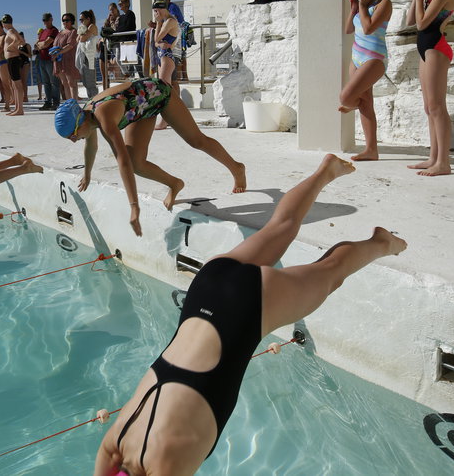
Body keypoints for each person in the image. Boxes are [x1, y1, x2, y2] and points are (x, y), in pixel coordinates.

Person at [93, 155, 407, 476]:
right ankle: (325, 171)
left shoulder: (164, 466)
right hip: (208, 287)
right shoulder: (116, 441)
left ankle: (381, 243)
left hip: (247, 306)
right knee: (281, 227)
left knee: (331, 273)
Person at [54, 77, 246, 235]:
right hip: (140, 109)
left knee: (196, 140)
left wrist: (134, 206)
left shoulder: (103, 116)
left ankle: (236, 168)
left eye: (72, 135)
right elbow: (91, 145)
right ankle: (174, 183)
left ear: (81, 123)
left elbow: (122, 162)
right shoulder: (87, 117)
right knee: (137, 163)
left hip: (157, 93)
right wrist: (87, 174)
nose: (73, 140)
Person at [405, 0, 454, 177]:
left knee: (437, 107)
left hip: (436, 47)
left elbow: (423, 25)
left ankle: (443, 163)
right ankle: (433, 158)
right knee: (429, 108)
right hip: (426, 49)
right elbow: (409, 20)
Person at [338, 0, 393, 162]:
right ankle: (371, 150)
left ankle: (352, 105)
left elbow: (369, 28)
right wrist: (354, 7)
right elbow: (347, 30)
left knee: (346, 98)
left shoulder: (384, 4)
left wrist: (362, 6)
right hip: (357, 57)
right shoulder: (361, 4)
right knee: (366, 103)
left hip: (374, 58)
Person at [151, 0, 180, 131]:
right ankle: (170, 118)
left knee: (163, 90)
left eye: (156, 11)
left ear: (162, 9)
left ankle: (164, 121)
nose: (156, 14)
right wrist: (158, 41)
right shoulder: (165, 22)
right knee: (166, 90)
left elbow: (156, 39)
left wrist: (157, 22)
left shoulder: (170, 21)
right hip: (162, 57)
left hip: (167, 58)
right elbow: (156, 43)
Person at [1, 14, 26, 116]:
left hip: (13, 59)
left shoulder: (11, 31)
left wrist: (9, 47)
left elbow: (17, 40)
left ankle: (20, 109)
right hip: (13, 59)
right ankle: (17, 108)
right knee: (15, 85)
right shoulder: (13, 30)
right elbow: (22, 41)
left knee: (17, 85)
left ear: (3, 23)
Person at [36, 13, 62, 110]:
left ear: (51, 19)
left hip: (50, 60)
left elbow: (46, 44)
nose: (45, 22)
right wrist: (41, 44)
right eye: (44, 20)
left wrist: (41, 44)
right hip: (42, 59)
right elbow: (37, 44)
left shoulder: (54, 31)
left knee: (54, 82)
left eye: (47, 20)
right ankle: (48, 102)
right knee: (46, 82)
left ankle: (55, 102)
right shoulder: (43, 31)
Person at [53, 13, 81, 100]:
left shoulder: (73, 32)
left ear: (72, 21)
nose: (65, 22)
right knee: (64, 83)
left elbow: (70, 45)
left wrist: (58, 52)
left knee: (71, 83)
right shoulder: (60, 32)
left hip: (69, 60)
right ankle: (69, 103)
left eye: (67, 20)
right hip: (59, 60)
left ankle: (74, 103)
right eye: (63, 20)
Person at [76, 10, 100, 98]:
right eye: (80, 20)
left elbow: (81, 38)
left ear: (88, 19)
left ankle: (94, 101)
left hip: (89, 57)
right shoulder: (84, 28)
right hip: (83, 56)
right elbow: (77, 39)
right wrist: (82, 31)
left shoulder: (92, 26)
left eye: (82, 20)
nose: (81, 22)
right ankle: (91, 100)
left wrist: (81, 33)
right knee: (85, 82)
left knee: (90, 82)